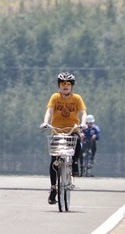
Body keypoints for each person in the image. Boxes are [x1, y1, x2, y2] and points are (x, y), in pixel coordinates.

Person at [40, 72, 87, 205]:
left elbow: (83, 112)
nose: (65, 86)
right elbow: (49, 111)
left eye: (68, 84)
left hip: (72, 130)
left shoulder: (77, 98)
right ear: (59, 85)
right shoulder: (55, 97)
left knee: (77, 142)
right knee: (54, 159)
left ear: (72, 86)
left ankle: (75, 164)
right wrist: (45, 122)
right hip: (57, 131)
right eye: (62, 84)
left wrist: (83, 123)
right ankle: (53, 188)